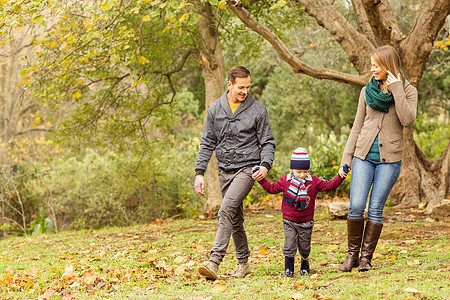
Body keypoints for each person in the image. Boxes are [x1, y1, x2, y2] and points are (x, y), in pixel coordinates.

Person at [338, 45, 418, 272]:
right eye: (371, 65)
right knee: (355, 206)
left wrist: (396, 89)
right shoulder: (366, 91)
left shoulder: (408, 91)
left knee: (375, 209)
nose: (372, 69)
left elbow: (407, 120)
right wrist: (346, 157)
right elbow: (356, 126)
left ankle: (365, 259)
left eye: (376, 65)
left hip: (390, 160)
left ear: (388, 66)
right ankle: (351, 257)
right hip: (362, 156)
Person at [194, 66, 276, 280]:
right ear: (229, 84)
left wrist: (265, 165)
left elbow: (267, 142)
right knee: (235, 218)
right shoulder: (215, 109)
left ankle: (214, 262)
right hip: (224, 171)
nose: (245, 91)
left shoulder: (258, 110)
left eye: (248, 87)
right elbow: (207, 142)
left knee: (225, 209)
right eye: (241, 87)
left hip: (247, 169)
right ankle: (244, 264)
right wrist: (199, 172)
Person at [254, 147, 348, 277]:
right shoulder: (285, 181)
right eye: (299, 171)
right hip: (289, 220)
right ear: (292, 170)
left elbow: (329, 186)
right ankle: (289, 270)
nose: (302, 174)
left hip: (306, 222)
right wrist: (260, 179)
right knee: (289, 245)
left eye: (305, 171)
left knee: (304, 248)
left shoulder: (313, 181)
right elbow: (271, 188)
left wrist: (340, 176)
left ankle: (304, 262)